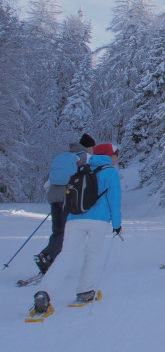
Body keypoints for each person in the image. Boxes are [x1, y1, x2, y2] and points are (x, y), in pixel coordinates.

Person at [33, 142, 122, 313]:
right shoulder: (110, 172)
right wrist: (117, 225)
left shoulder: (81, 169)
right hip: (98, 220)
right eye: (115, 154)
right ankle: (85, 291)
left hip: (74, 218)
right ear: (109, 156)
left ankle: (44, 292)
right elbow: (115, 200)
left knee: (65, 256)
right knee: (92, 254)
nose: (117, 158)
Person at [34, 133, 96, 275]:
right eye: (92, 148)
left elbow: (48, 182)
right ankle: (47, 256)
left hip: (54, 196)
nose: (93, 151)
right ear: (89, 147)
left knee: (57, 230)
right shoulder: (85, 157)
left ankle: (48, 258)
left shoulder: (64, 156)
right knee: (65, 231)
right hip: (67, 197)